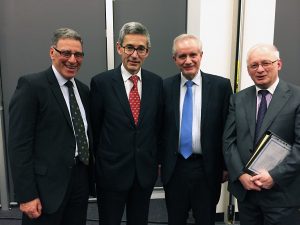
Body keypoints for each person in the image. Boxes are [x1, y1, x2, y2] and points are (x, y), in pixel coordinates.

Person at [8, 27, 94, 225]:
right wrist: (26, 195)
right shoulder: (31, 86)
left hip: (79, 181)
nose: (73, 59)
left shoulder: (83, 90)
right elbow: (19, 145)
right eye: (66, 53)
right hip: (45, 189)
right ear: (52, 52)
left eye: (78, 54)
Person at [90, 22, 163, 225]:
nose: (134, 54)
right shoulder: (101, 83)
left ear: (147, 52)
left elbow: (157, 127)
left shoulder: (156, 83)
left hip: (143, 174)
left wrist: (154, 160)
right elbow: (96, 129)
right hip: (111, 173)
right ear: (119, 47)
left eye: (141, 49)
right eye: (129, 47)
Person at [223, 43, 300, 225]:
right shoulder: (238, 99)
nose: (260, 69)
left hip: (282, 194)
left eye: (266, 63)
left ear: (278, 64)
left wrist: (275, 176)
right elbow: (228, 141)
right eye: (254, 65)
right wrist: (240, 174)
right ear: (248, 70)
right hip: (247, 193)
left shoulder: (297, 97)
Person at [160, 34, 232, 225]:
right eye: (182, 56)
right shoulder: (164, 87)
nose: (188, 60)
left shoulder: (221, 86)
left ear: (201, 55)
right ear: (174, 59)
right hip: (175, 168)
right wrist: (159, 162)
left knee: (205, 219)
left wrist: (225, 166)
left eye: (193, 54)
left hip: (207, 168)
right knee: (175, 219)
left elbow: (227, 128)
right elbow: (158, 128)